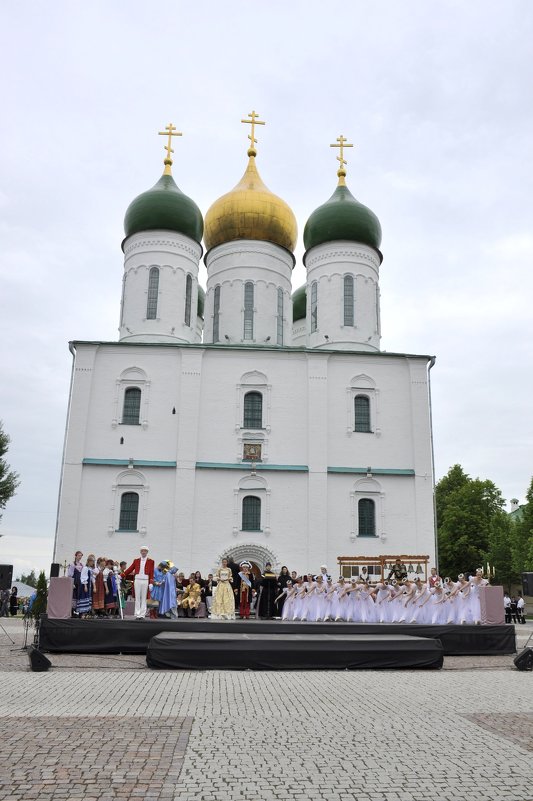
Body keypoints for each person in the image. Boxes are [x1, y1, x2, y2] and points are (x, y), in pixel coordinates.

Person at [124, 546, 155, 620]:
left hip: (145, 580)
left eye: (145, 551)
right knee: (137, 597)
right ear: (140, 552)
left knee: (144, 598)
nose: (143, 552)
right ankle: (137, 614)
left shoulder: (151, 561)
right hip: (137, 580)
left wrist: (151, 582)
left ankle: (142, 615)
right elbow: (130, 569)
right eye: (142, 551)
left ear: (147, 552)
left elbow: (151, 572)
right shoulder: (136, 560)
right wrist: (122, 575)